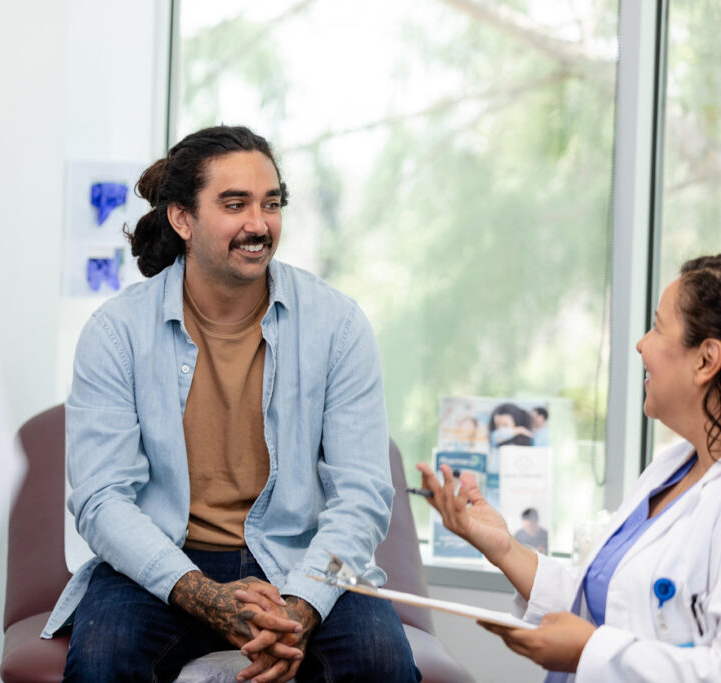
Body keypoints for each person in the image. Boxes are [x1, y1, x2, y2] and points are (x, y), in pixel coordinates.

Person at [41, 125, 419, 683]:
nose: (258, 224)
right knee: (101, 664)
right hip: (165, 559)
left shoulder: (338, 326)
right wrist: (206, 596)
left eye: (271, 204)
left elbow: (362, 494)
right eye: (234, 204)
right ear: (182, 219)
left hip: (301, 556)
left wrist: (302, 605)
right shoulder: (115, 333)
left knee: (380, 663)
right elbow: (101, 499)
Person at [417, 254, 721, 681]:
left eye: (656, 326)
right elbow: (599, 598)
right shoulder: (673, 466)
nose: (640, 344)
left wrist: (589, 652)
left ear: (706, 361)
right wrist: (502, 545)